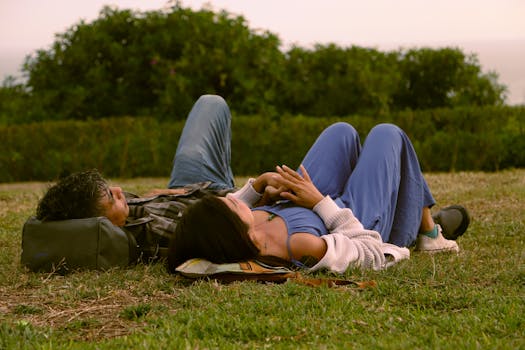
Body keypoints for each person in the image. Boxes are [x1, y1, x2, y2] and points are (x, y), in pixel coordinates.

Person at [36, 95, 469, 273]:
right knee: (388, 134)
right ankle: (426, 229)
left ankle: (413, 212)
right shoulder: (291, 247)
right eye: (103, 200)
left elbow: (220, 209)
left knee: (340, 131)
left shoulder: (236, 218)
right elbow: (372, 251)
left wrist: (262, 187)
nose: (115, 192)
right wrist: (320, 202)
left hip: (300, 206)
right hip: (340, 217)